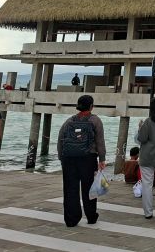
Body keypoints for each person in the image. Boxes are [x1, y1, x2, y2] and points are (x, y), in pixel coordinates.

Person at [56, 95, 106, 227]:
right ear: (91, 106)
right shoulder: (95, 120)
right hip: (88, 158)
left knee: (70, 189)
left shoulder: (69, 121)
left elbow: (60, 139)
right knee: (89, 188)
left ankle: (71, 219)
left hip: (69, 159)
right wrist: (102, 159)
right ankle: (91, 216)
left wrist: (61, 157)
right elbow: (100, 142)